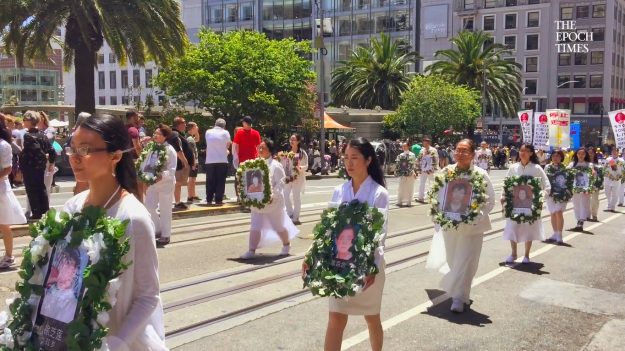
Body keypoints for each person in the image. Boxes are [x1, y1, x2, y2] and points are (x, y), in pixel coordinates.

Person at [61, 114, 166, 350]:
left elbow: (148, 296)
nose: (75, 158)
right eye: (72, 149)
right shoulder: (72, 207)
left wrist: (116, 343)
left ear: (115, 156)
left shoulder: (133, 218)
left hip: (120, 338)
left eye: (85, 149)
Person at [303, 137, 388, 351]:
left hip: (367, 266)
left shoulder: (379, 193)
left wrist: (373, 267)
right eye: (346, 158)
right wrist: (310, 255)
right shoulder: (339, 191)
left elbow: (380, 234)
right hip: (339, 264)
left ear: (368, 160)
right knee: (336, 319)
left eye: (355, 158)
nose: (349, 163)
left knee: (371, 317)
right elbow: (327, 229)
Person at [426, 139, 495, 313]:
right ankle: (460, 292)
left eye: (465, 151)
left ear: (472, 154)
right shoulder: (446, 172)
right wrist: (437, 213)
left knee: (467, 261)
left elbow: (490, 200)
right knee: (453, 259)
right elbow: (437, 195)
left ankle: (458, 297)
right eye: (458, 150)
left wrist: (475, 217)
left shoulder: (480, 174)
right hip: (451, 226)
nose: (460, 154)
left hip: (472, 229)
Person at [240, 139, 299, 259]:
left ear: (270, 151)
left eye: (264, 148)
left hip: (273, 203)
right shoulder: (254, 164)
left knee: (278, 226)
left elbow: (281, 182)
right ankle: (251, 250)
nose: (260, 150)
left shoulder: (276, 165)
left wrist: (273, 196)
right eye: (259, 147)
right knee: (255, 226)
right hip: (258, 202)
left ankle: (286, 244)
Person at [501, 143, 550, 264]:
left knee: (529, 228)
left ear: (531, 153)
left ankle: (527, 255)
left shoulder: (537, 168)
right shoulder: (513, 167)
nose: (523, 153)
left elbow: (547, 186)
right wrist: (503, 196)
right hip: (514, 204)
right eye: (521, 150)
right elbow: (506, 184)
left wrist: (541, 197)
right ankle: (513, 254)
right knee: (512, 227)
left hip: (530, 205)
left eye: (526, 151)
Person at [145, 124, 178, 247]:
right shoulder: (152, 148)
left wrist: (161, 176)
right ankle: (157, 228)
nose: (155, 136)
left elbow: (172, 170)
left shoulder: (170, 150)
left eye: (158, 134)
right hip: (152, 182)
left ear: (165, 136)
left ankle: (165, 234)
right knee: (148, 206)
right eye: (155, 133)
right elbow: (146, 162)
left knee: (165, 209)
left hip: (166, 184)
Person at [0, 121, 27, 269]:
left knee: (4, 224)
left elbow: (8, 168)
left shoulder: (3, 145)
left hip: (1, 187)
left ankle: (9, 256)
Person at [19, 111, 56, 220]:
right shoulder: (42, 135)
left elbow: (31, 151)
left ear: (29, 121)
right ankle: (45, 211)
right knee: (41, 187)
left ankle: (36, 213)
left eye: (25, 120)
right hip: (40, 166)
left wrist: (22, 160)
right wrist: (50, 162)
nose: (23, 122)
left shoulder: (27, 136)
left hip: (30, 166)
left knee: (31, 189)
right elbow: (52, 150)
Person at [40, 247, 81, 323]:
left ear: (74, 271)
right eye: (61, 260)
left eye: (68, 262)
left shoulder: (72, 304)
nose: (62, 265)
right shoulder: (48, 290)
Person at [168, 116, 194, 210]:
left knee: (178, 183)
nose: (185, 125)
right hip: (179, 164)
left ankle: (177, 201)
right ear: (179, 125)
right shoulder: (175, 134)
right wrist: (185, 161)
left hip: (179, 163)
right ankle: (177, 202)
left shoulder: (178, 134)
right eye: (184, 123)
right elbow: (178, 149)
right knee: (177, 183)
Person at [204, 118, 232, 206]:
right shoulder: (225, 133)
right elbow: (228, 144)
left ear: (215, 124)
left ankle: (209, 198)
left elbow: (208, 143)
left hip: (210, 160)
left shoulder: (208, 132)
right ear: (224, 126)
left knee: (210, 180)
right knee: (220, 180)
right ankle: (218, 199)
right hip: (222, 159)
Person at [544, 150, 569, 244]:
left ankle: (559, 235)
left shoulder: (564, 168)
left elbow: (568, 180)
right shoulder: (547, 167)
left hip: (561, 194)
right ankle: (555, 233)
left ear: (561, 157)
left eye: (558, 156)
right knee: (553, 213)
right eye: (554, 155)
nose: (555, 157)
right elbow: (544, 179)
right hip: (551, 194)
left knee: (559, 212)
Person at [283, 134, 308, 225]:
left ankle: (296, 217)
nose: (291, 141)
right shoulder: (287, 152)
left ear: (298, 141)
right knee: (285, 195)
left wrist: (300, 168)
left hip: (298, 177)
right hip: (289, 177)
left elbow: (306, 165)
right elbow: (284, 164)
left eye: (293, 139)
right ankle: (290, 213)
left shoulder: (302, 153)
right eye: (291, 139)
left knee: (296, 197)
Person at [568, 148, 593, 231]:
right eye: (579, 154)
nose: (581, 155)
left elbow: (592, 174)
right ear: (576, 154)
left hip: (585, 188)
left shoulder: (589, 164)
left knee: (584, 204)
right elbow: (567, 172)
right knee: (576, 204)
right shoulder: (572, 164)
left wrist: (593, 172)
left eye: (583, 154)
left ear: (585, 155)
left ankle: (581, 222)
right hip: (575, 188)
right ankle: (578, 220)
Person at [415, 136, 439, 202]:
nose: (424, 144)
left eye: (425, 142)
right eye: (423, 142)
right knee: (421, 183)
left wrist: (434, 168)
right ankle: (420, 198)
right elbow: (418, 159)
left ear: (429, 143)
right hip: (423, 168)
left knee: (431, 183)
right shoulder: (422, 150)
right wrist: (418, 167)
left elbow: (436, 159)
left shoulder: (433, 149)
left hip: (430, 169)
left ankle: (432, 197)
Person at [395, 142, 417, 207]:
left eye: (405, 146)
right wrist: (397, 171)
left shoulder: (412, 155)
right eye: (403, 146)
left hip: (410, 173)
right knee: (401, 187)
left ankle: (409, 202)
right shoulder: (400, 155)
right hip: (402, 174)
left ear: (408, 146)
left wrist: (414, 172)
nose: (403, 147)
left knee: (410, 187)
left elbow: (414, 165)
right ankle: (400, 201)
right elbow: (398, 165)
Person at [186, 122, 201, 203]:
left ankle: (193, 195)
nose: (197, 127)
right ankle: (190, 196)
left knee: (193, 179)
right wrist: (193, 163)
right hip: (193, 162)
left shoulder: (191, 138)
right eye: (196, 126)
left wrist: (197, 132)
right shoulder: (189, 139)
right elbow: (191, 152)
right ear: (192, 128)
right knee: (191, 179)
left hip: (194, 161)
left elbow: (197, 139)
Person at [587, 147, 601, 222]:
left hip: (595, 184)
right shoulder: (585, 164)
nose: (590, 154)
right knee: (587, 200)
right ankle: (587, 215)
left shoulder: (598, 164)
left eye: (592, 153)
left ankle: (594, 214)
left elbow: (601, 174)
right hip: (586, 185)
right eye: (589, 153)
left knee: (595, 200)